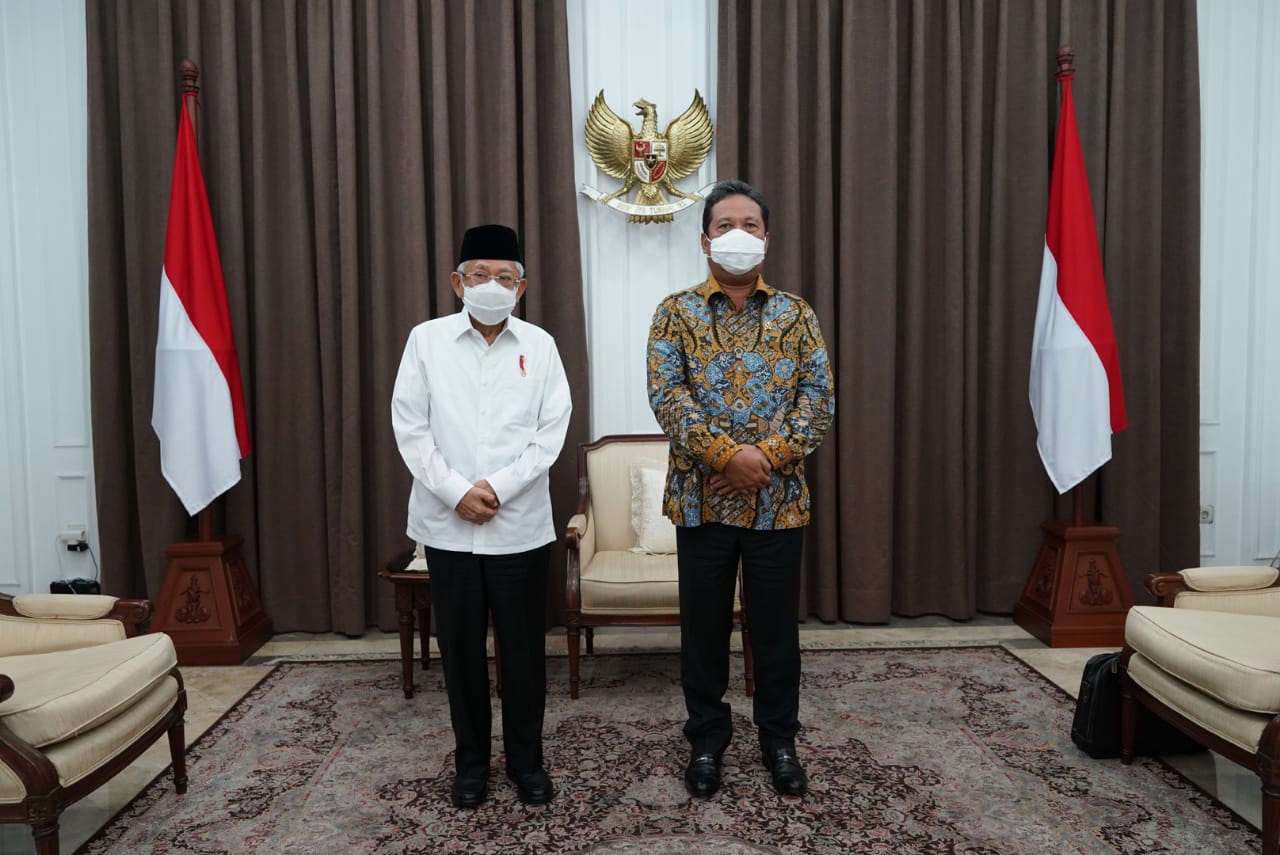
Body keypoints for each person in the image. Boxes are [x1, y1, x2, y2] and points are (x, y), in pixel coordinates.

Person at [646, 180, 835, 798]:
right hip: (700, 504)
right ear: (705, 241)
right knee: (702, 633)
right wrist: (727, 456)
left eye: (749, 224)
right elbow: (667, 397)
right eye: (725, 224)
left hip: (778, 504)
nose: (737, 234)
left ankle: (779, 740)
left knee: (776, 634)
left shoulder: (796, 314)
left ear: (766, 239)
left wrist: (767, 457)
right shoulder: (675, 312)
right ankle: (705, 741)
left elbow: (818, 399)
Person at [392, 224, 572, 809]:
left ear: (521, 288)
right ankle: (470, 764)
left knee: (522, 653)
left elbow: (551, 434)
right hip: (448, 528)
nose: (490, 286)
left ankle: (527, 762)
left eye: (503, 277)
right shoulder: (426, 341)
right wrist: (454, 492)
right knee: (462, 652)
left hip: (517, 525)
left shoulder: (539, 346)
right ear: (456, 282)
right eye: (478, 275)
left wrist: (494, 488)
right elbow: (410, 428)